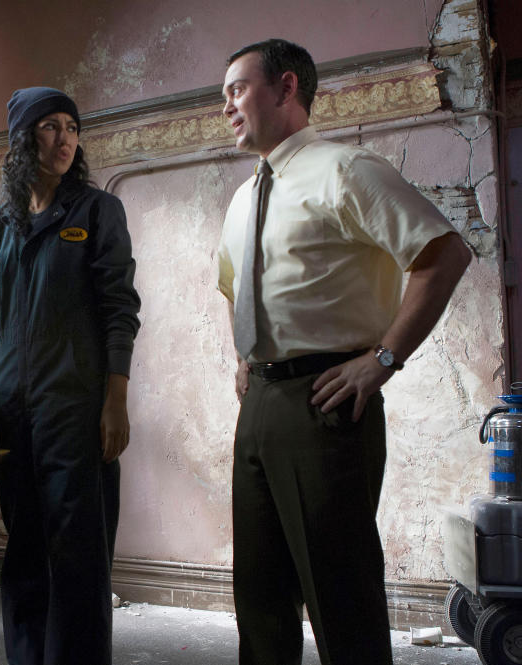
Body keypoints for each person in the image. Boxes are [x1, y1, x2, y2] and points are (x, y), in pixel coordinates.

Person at [217, 39, 471, 665]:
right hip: (261, 406)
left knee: (340, 595)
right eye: (223, 94)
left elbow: (443, 256)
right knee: (259, 597)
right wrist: (245, 360)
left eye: (238, 88)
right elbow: (234, 285)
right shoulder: (244, 196)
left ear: (286, 88)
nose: (226, 105)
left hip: (325, 402)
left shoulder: (345, 170)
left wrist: (382, 359)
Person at [0, 86, 141, 665]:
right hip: (12, 410)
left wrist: (116, 400)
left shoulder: (96, 211)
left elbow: (119, 310)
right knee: (24, 552)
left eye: (71, 128)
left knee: (79, 557)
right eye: (50, 127)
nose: (65, 139)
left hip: (75, 409)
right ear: (22, 139)